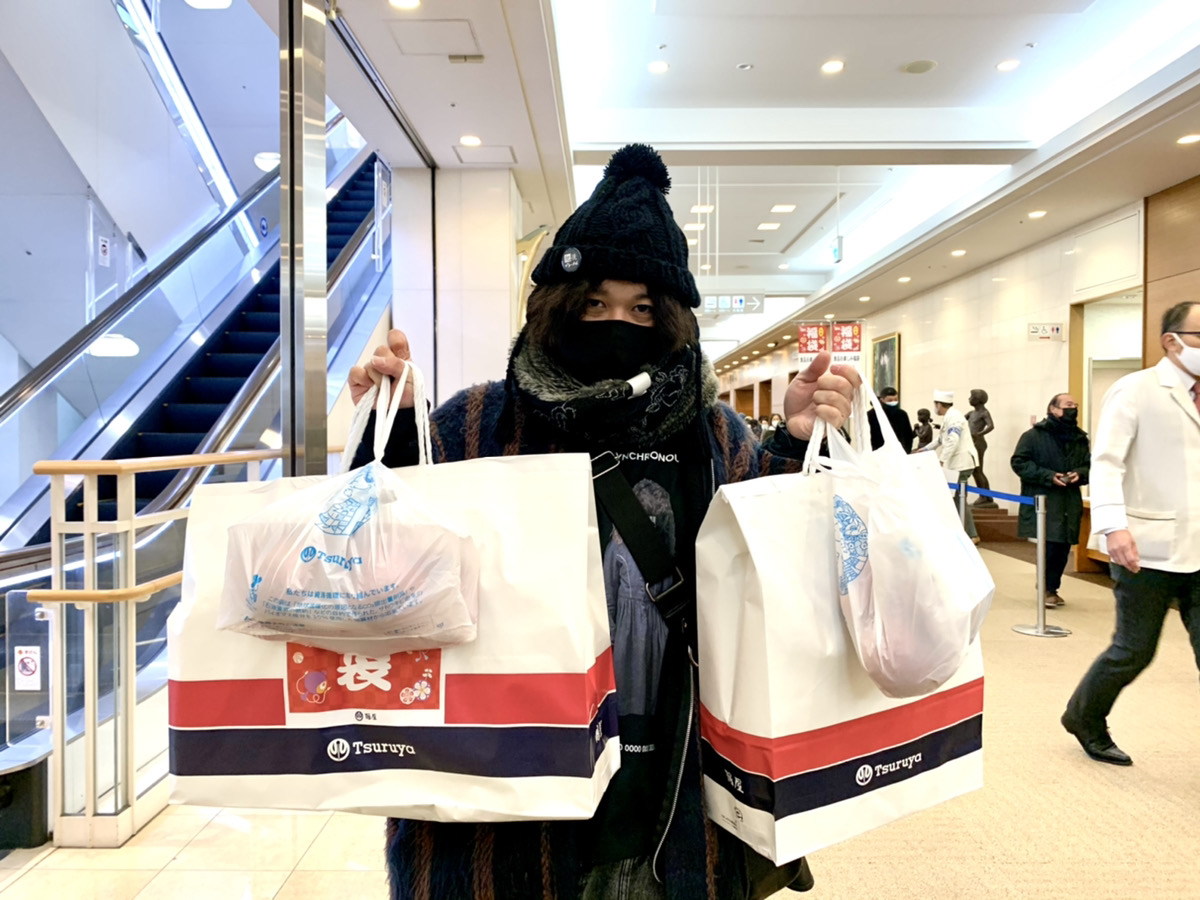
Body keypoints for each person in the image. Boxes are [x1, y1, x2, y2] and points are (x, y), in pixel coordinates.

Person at [348, 144, 860, 900]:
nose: (617, 323)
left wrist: (794, 446)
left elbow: (781, 572)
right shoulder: (479, 424)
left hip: (675, 794)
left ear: (672, 320)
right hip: (505, 805)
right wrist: (389, 435)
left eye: (642, 308)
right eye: (595, 303)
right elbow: (382, 562)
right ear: (557, 305)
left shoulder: (714, 437)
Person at [1061, 301, 1200, 767]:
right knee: (1133, 651)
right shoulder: (1135, 390)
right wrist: (1113, 527)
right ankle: (1084, 716)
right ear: (1171, 341)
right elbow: (1106, 464)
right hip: (1146, 548)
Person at [1010, 393, 1090, 608]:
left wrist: (1080, 474)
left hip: (1069, 499)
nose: (1073, 408)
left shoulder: (1080, 438)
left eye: (1075, 405)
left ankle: (1052, 586)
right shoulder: (1033, 436)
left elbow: (1089, 465)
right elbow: (1019, 463)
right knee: (1051, 544)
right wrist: (1048, 476)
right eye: (1068, 405)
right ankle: (1047, 588)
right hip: (1045, 498)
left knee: (1063, 546)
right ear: (1053, 409)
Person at [930, 390, 979, 543]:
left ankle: (971, 535)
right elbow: (940, 439)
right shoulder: (949, 416)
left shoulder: (954, 417)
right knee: (957, 498)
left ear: (938, 404)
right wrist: (924, 450)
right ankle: (966, 533)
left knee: (959, 499)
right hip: (957, 464)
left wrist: (941, 460)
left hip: (961, 463)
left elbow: (953, 440)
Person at [967, 389, 997, 508]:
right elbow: (959, 422)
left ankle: (984, 496)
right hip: (971, 443)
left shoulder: (984, 413)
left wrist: (979, 434)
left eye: (971, 396)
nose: (969, 399)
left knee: (977, 470)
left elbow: (991, 426)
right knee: (976, 471)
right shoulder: (971, 413)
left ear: (978, 399)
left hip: (978, 443)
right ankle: (987, 496)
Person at [867, 386, 914, 451]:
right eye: (890, 400)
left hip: (899, 452)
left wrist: (906, 450)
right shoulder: (871, 415)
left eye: (895, 400)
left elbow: (908, 435)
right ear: (882, 400)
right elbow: (868, 435)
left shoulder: (902, 414)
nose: (893, 402)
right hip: (878, 452)